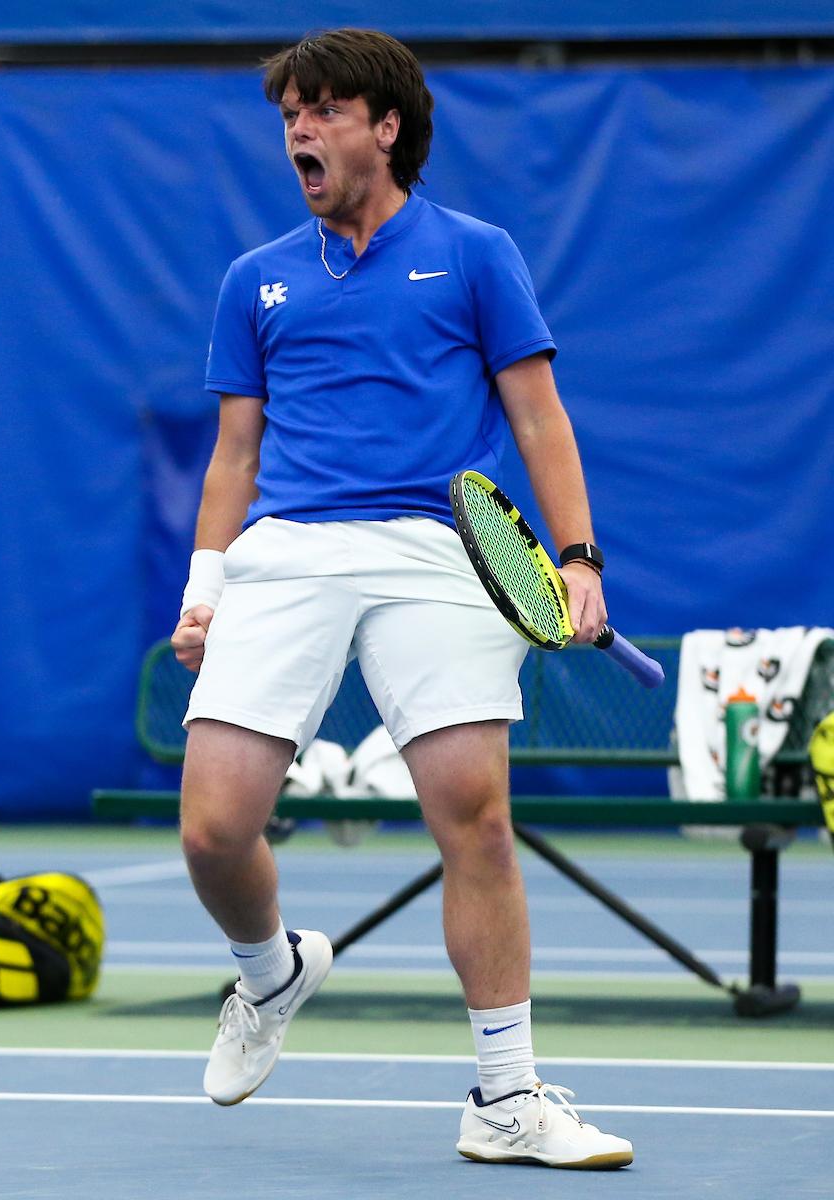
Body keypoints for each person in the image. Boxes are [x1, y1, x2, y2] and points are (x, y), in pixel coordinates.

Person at [171, 28, 633, 1169]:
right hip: (288, 551)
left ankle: (508, 1099)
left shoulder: (476, 254)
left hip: (438, 549)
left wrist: (579, 560)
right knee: (215, 829)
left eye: (324, 111)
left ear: (387, 126)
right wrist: (206, 587)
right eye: (290, 115)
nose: (300, 131)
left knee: (472, 810)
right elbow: (233, 456)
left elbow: (538, 418)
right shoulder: (257, 278)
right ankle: (271, 972)